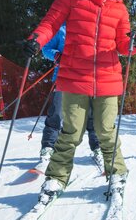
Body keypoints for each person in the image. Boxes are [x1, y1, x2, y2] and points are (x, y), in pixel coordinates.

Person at [23, 0, 136, 206]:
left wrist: (134, 43)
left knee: (106, 131)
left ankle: (117, 173)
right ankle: (56, 177)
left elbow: (124, 45)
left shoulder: (120, 9)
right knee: (71, 132)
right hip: (74, 77)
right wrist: (37, 39)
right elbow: (51, 23)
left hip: (108, 78)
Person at [37, 24, 103, 174]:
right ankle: (48, 149)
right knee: (56, 114)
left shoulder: (93, 27)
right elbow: (46, 48)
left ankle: (97, 148)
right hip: (63, 79)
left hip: (88, 79)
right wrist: (56, 55)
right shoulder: (62, 29)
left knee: (92, 116)